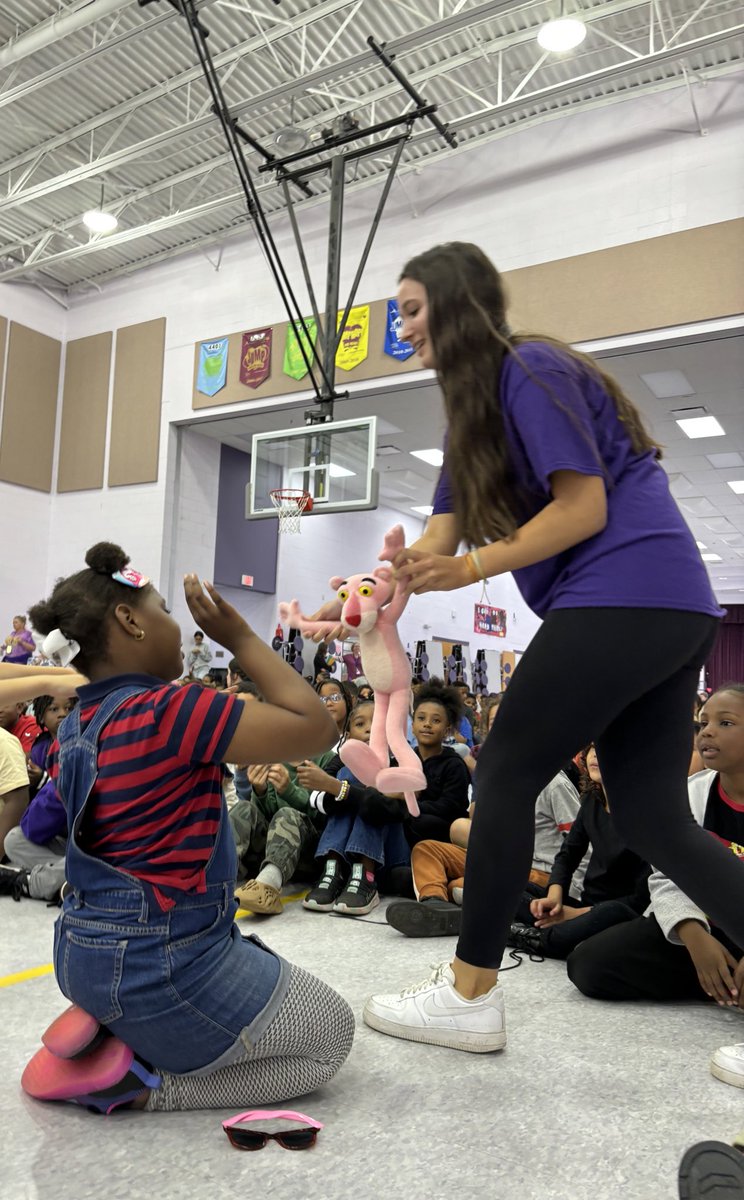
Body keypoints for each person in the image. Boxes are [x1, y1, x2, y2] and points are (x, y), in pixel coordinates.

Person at [359, 241, 729, 1055]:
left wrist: (470, 568)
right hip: (667, 606)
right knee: (657, 818)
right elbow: (439, 539)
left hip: (625, 591)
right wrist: (378, 591)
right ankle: (472, 991)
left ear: (458, 305)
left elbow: (583, 507)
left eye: (413, 307)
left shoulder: (528, 369)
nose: (404, 326)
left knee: (505, 772)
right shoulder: (471, 421)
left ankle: (470, 992)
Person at [20, 542, 353, 1115]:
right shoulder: (172, 711)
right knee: (330, 1037)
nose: (178, 623)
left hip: (82, 948)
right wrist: (241, 637)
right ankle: (138, 1084)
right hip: (160, 961)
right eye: (165, 609)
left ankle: (116, 1021)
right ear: (129, 620)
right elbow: (316, 726)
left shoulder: (77, 723)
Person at [566, 688, 744, 1038]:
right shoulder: (692, 792)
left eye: (725, 723)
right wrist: (693, 936)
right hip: (704, 928)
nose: (706, 732)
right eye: (702, 722)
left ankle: (725, 980)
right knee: (589, 965)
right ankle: (721, 978)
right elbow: (665, 876)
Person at [385, 700, 583, 937]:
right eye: (495, 723)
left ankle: (451, 901)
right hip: (501, 860)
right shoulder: (496, 775)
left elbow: (579, 844)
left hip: (539, 871)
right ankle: (435, 904)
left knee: (458, 886)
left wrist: (569, 895)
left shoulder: (552, 783)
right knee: (427, 849)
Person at [507, 746, 651, 959]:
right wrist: (555, 898)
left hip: (619, 915)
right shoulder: (592, 801)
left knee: (610, 913)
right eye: (594, 748)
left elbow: (640, 900)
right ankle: (557, 931)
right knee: (508, 887)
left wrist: (573, 915)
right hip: (585, 904)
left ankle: (535, 938)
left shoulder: (644, 816)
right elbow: (567, 855)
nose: (596, 755)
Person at [301, 699, 411, 916]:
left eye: (378, 723)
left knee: (358, 783)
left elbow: (391, 810)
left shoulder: (400, 763)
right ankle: (333, 871)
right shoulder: (340, 762)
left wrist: (338, 788)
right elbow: (317, 801)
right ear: (349, 736)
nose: (370, 728)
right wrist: (343, 790)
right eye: (361, 724)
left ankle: (366, 877)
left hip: (389, 855)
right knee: (348, 775)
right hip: (345, 853)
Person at [2, 694, 75, 902]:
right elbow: (33, 828)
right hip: (65, 838)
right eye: (54, 709)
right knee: (14, 840)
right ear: (41, 716)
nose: (63, 714)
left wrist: (45, 781)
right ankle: (64, 874)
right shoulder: (43, 746)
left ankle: (31, 882)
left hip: (103, 845)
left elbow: (37, 821)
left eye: (69, 709)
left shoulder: (76, 746)